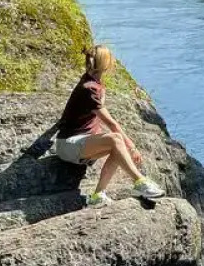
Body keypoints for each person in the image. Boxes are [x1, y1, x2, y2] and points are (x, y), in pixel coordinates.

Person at [53, 45, 165, 206]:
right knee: (116, 140)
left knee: (117, 148)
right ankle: (140, 182)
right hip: (68, 145)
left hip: (79, 143)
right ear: (106, 64)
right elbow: (112, 124)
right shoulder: (89, 88)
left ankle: (98, 195)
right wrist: (132, 147)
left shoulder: (92, 83)